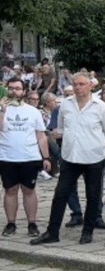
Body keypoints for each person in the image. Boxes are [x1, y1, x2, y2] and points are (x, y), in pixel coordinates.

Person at [31, 72, 105, 246]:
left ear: (91, 86)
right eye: (75, 84)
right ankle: (52, 232)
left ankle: (87, 232)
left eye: (82, 84)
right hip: (70, 157)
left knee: (93, 196)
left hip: (93, 158)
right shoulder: (65, 105)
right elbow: (61, 129)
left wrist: (100, 152)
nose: (78, 87)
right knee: (60, 194)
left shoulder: (101, 107)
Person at [0, 78, 51, 237]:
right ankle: (11, 223)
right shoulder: (2, 109)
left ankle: (32, 223)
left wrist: (46, 157)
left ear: (24, 91)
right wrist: (2, 110)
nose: (14, 91)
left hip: (29, 157)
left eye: (17, 88)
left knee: (29, 190)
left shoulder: (32, 111)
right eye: (11, 88)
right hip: (7, 156)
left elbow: (41, 135)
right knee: (10, 190)